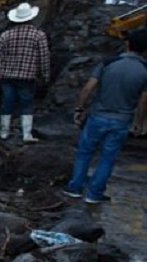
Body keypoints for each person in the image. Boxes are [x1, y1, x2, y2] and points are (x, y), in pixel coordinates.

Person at [63, 29, 147, 204]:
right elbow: (143, 101)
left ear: (128, 44)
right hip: (122, 121)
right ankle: (94, 194)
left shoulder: (109, 63)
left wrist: (80, 108)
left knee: (85, 153)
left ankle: (75, 187)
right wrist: (139, 123)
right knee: (108, 159)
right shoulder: (144, 70)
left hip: (98, 116)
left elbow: (88, 88)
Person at [0, 2, 51, 143]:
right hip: (27, 77)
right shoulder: (39, 35)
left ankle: (4, 132)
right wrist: (45, 76)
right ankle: (26, 134)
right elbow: (44, 58)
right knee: (26, 104)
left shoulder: (6, 35)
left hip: (7, 76)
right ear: (31, 18)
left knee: (7, 102)